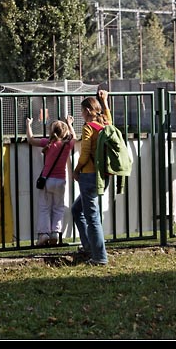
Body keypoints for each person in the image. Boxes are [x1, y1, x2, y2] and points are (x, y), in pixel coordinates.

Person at [71, 90, 112, 265]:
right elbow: (108, 117)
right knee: (76, 209)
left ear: (87, 111)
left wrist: (76, 169)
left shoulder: (88, 127)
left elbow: (85, 152)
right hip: (103, 174)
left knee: (92, 217)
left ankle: (99, 257)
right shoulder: (105, 124)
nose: (81, 114)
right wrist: (104, 101)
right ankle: (89, 246)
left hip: (88, 175)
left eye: (81, 111)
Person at [26, 115, 76, 246]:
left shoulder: (48, 143)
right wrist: (70, 124)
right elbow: (74, 137)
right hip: (61, 181)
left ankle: (44, 234)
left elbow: (31, 140)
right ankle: (55, 233)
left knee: (44, 207)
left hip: (47, 180)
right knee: (58, 208)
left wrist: (28, 125)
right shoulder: (67, 145)